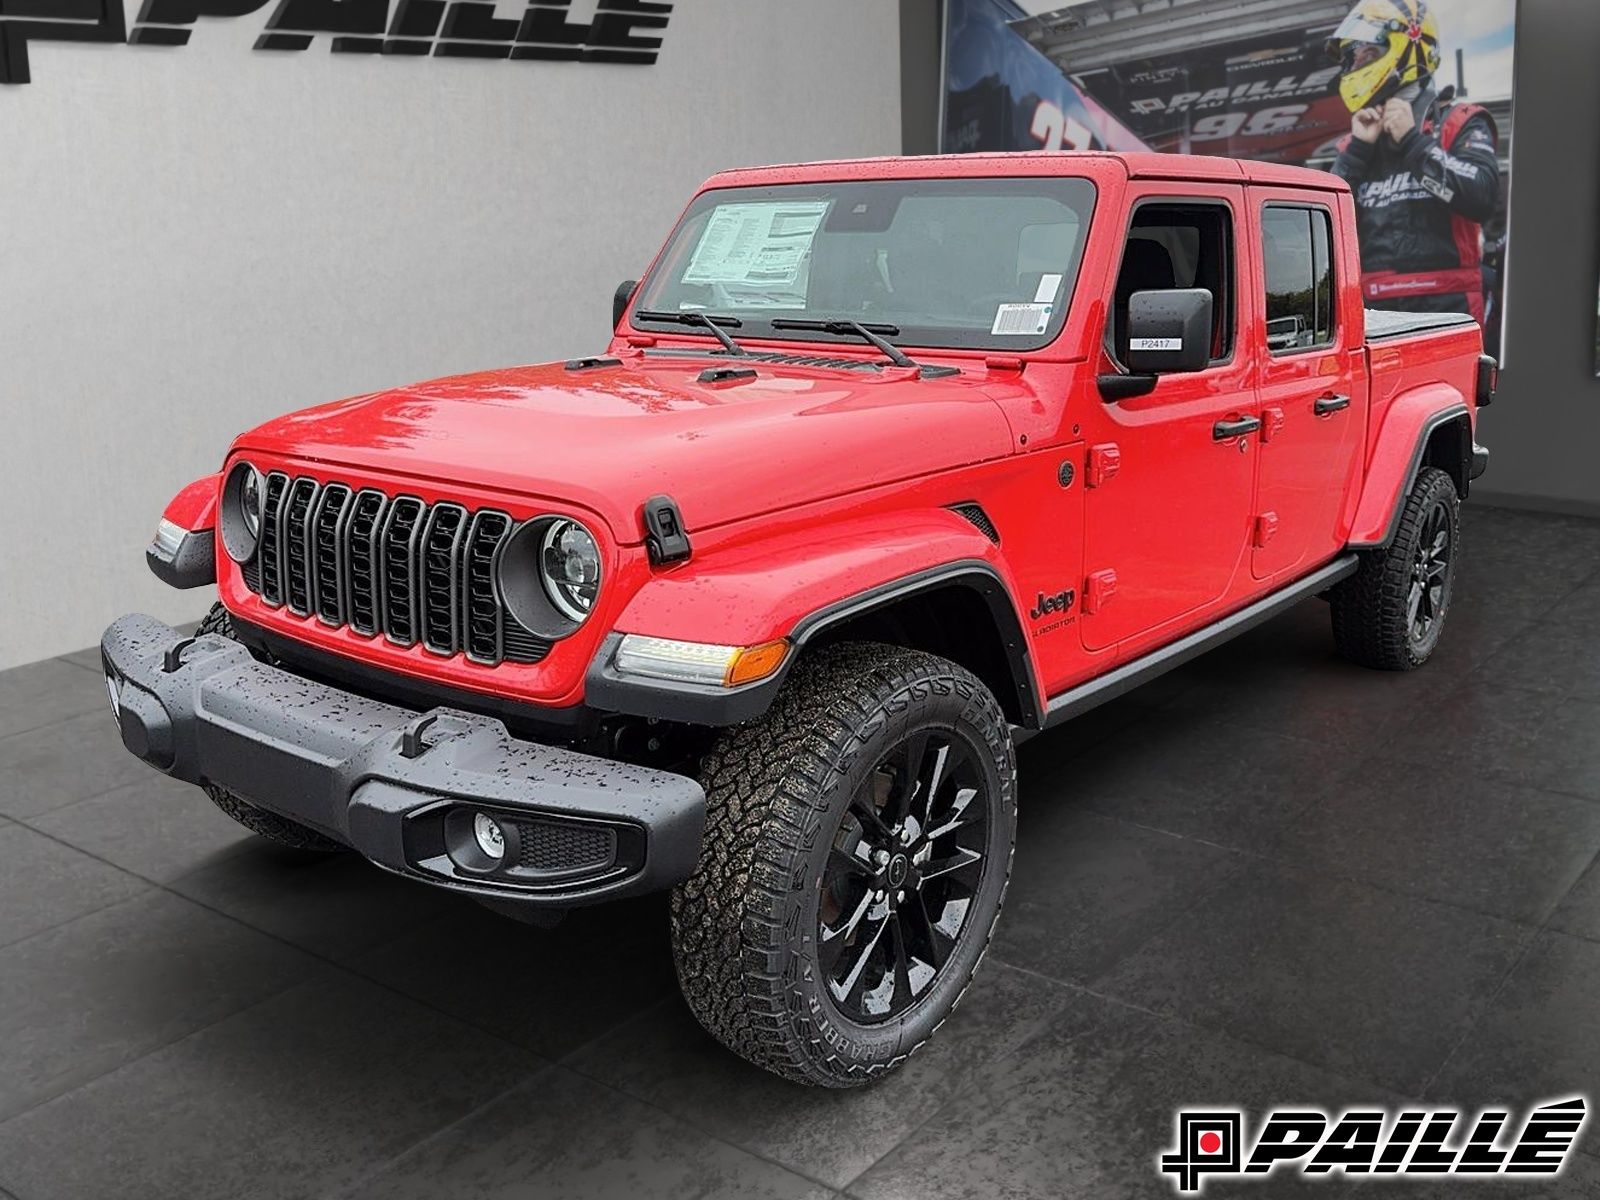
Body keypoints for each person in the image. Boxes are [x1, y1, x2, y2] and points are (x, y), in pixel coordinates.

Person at [1327, 0, 1500, 335]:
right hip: (1374, 311)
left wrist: (1412, 142)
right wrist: (1357, 152)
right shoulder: (1356, 143)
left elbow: (1481, 197)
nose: (1354, 65)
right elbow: (1327, 225)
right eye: (1352, 57)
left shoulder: (1458, 122)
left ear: (1406, 46)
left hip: (1449, 310)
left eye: (1365, 54)